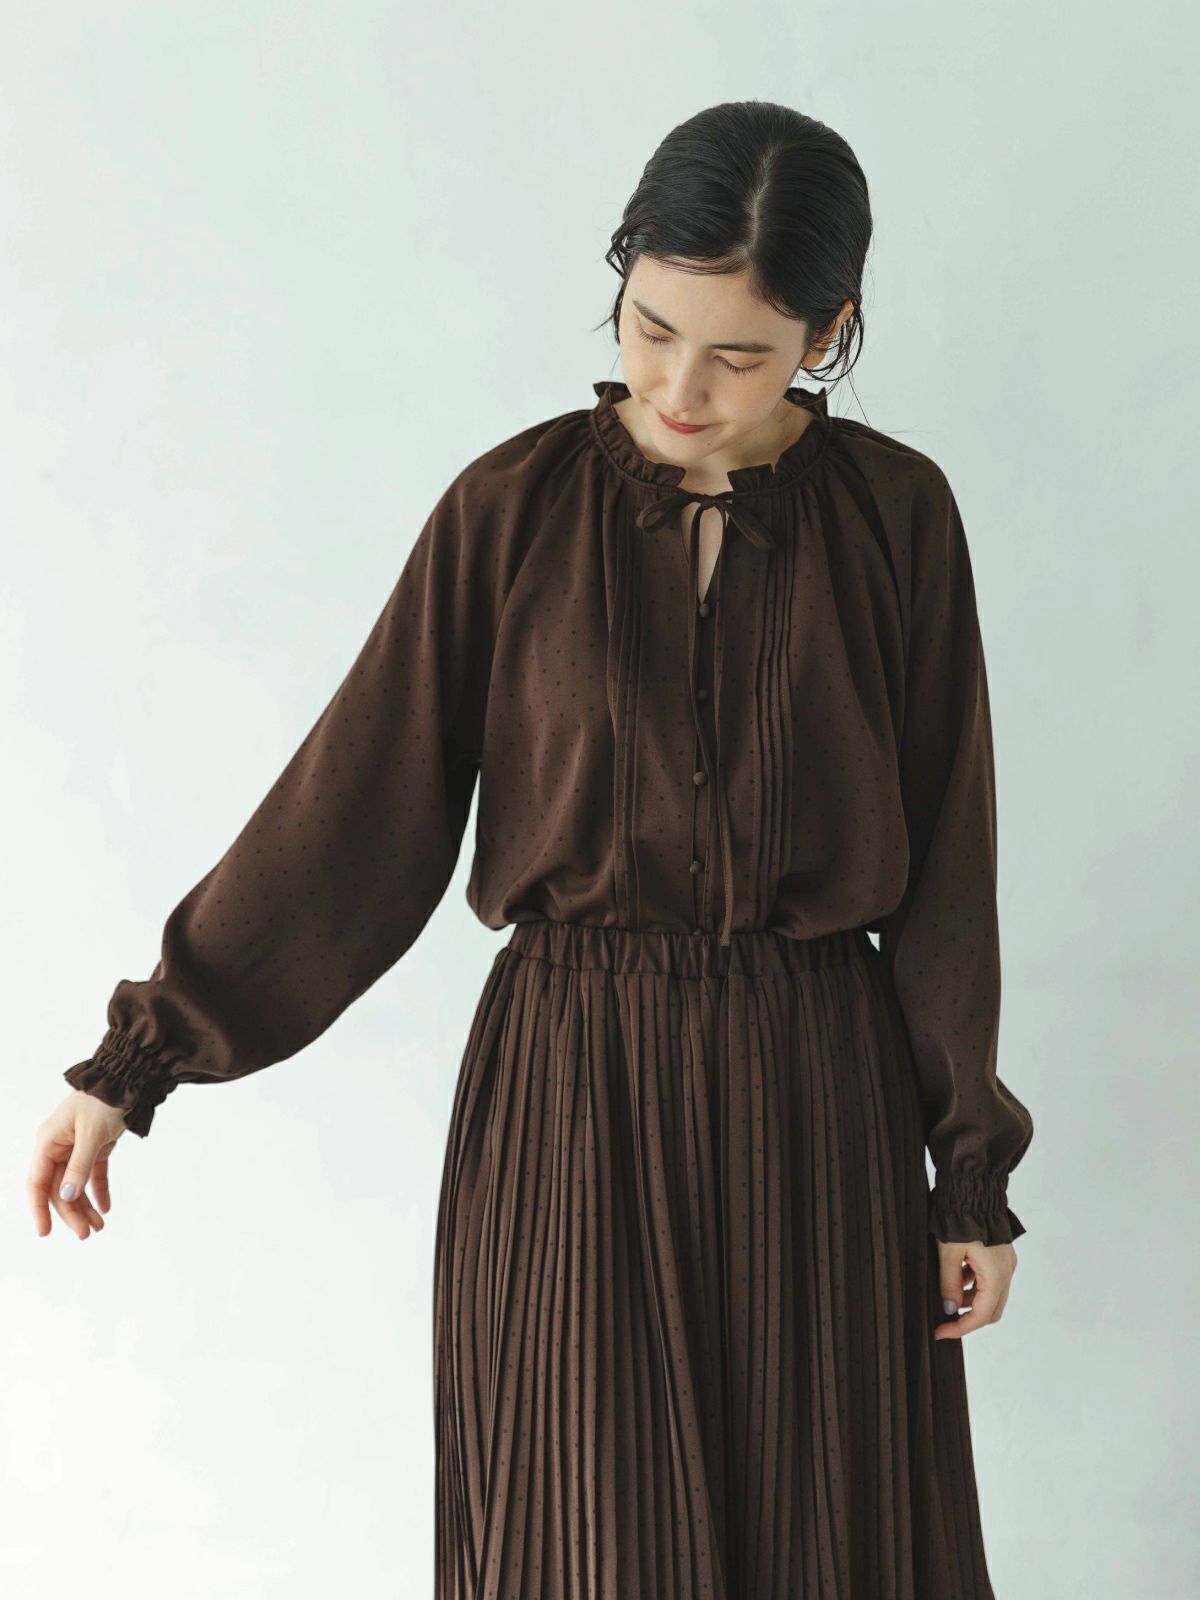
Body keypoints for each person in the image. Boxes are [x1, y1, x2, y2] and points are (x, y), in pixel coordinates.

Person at [28, 100, 1033, 1599]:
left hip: (816, 1092)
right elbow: (355, 811)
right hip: (571, 1089)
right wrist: (138, 1060)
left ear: (828, 333)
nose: (680, 386)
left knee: (829, 1533)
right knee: (577, 1533)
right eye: (652, 327)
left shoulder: (899, 516)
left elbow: (952, 854)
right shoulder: (512, 508)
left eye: (741, 354)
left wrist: (968, 1177)